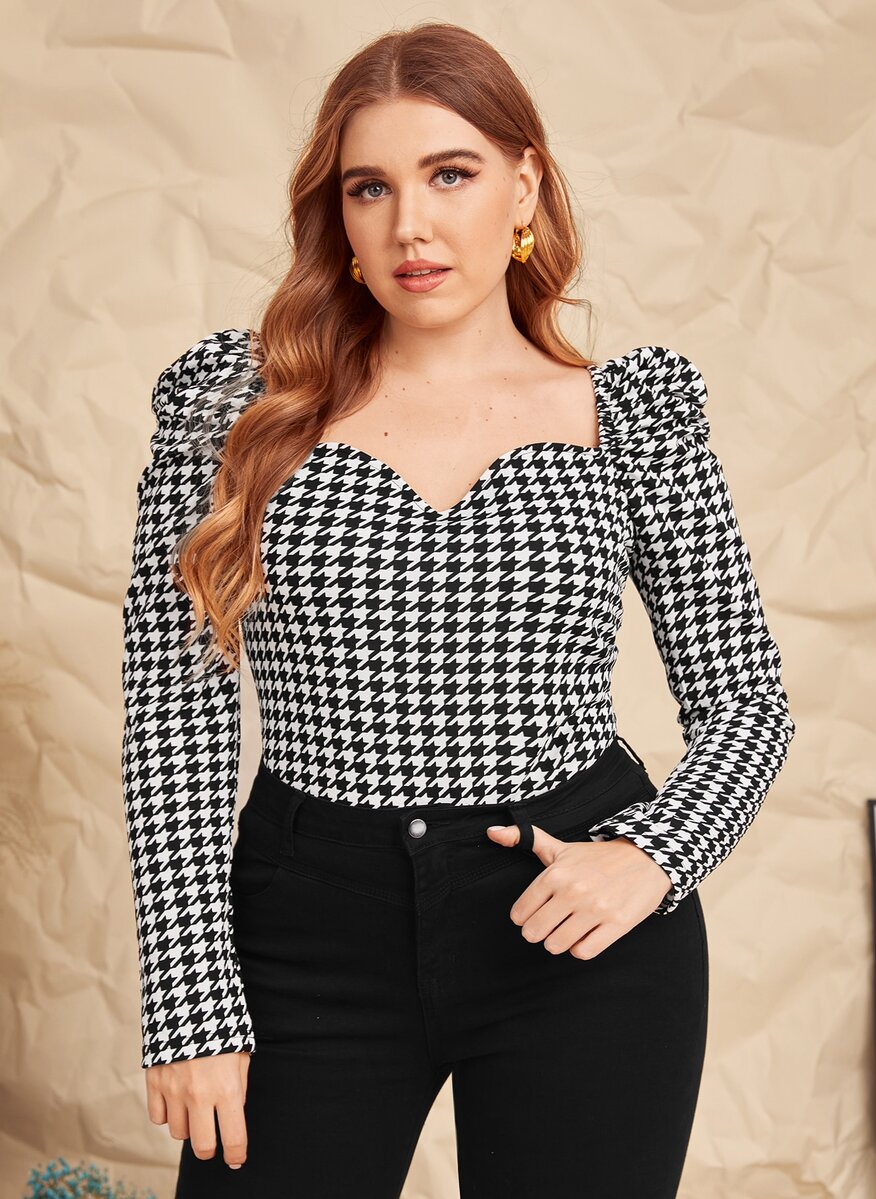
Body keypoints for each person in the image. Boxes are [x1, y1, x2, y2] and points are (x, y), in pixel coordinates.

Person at [120, 21, 795, 1199]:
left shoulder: (628, 415)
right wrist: (189, 995)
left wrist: (651, 854)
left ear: (523, 185)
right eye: (370, 188)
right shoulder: (237, 408)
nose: (410, 228)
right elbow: (173, 709)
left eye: (450, 175)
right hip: (306, 929)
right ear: (338, 213)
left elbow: (747, 698)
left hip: (575, 931)